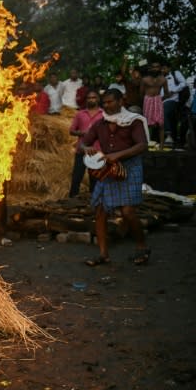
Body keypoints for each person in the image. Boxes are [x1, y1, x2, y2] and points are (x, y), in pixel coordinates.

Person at [81, 89, 150, 267]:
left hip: (130, 167)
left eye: (111, 102)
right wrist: (86, 148)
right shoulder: (100, 124)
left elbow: (142, 145)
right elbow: (83, 142)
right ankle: (104, 254)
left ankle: (142, 246)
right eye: (104, 103)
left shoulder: (133, 121)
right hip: (108, 169)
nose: (106, 105)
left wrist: (118, 155)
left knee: (127, 211)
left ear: (121, 101)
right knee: (100, 210)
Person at [68, 90, 104, 197]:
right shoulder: (80, 114)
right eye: (89, 98)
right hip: (81, 150)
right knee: (76, 178)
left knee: (94, 179)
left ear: (98, 99)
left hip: (96, 151)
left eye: (94, 97)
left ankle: (93, 202)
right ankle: (72, 202)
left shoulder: (104, 114)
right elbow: (71, 131)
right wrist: (83, 133)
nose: (91, 100)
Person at [141, 61, 168, 147]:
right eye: (154, 67)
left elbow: (167, 93)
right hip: (148, 100)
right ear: (150, 69)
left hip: (158, 100)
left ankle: (162, 145)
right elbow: (141, 92)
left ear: (160, 69)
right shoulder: (145, 79)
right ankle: (145, 145)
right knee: (147, 123)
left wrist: (159, 99)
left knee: (161, 123)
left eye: (157, 67)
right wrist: (147, 99)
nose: (155, 69)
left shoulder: (163, 79)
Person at [161, 61, 187, 146]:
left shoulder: (175, 73)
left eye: (164, 68)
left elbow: (184, 83)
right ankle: (172, 139)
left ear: (169, 68)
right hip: (162, 101)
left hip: (173, 100)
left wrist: (174, 90)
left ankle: (168, 135)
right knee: (171, 120)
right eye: (162, 69)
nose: (163, 70)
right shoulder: (161, 78)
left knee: (164, 111)